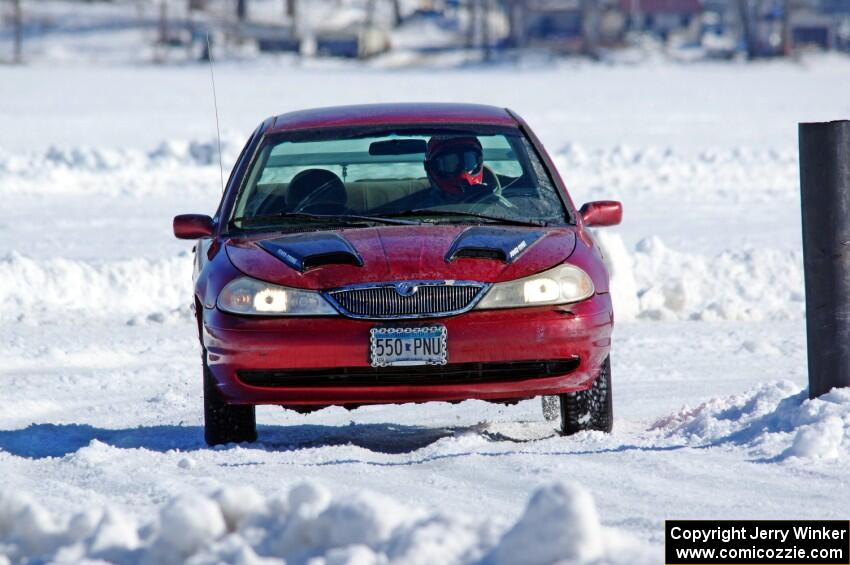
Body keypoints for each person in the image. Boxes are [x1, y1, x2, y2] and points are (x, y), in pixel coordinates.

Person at [424, 136, 494, 202]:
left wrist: (489, 200)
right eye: (450, 164)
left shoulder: (497, 199)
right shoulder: (422, 211)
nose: (463, 175)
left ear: (479, 162)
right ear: (433, 168)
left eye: (469, 162)